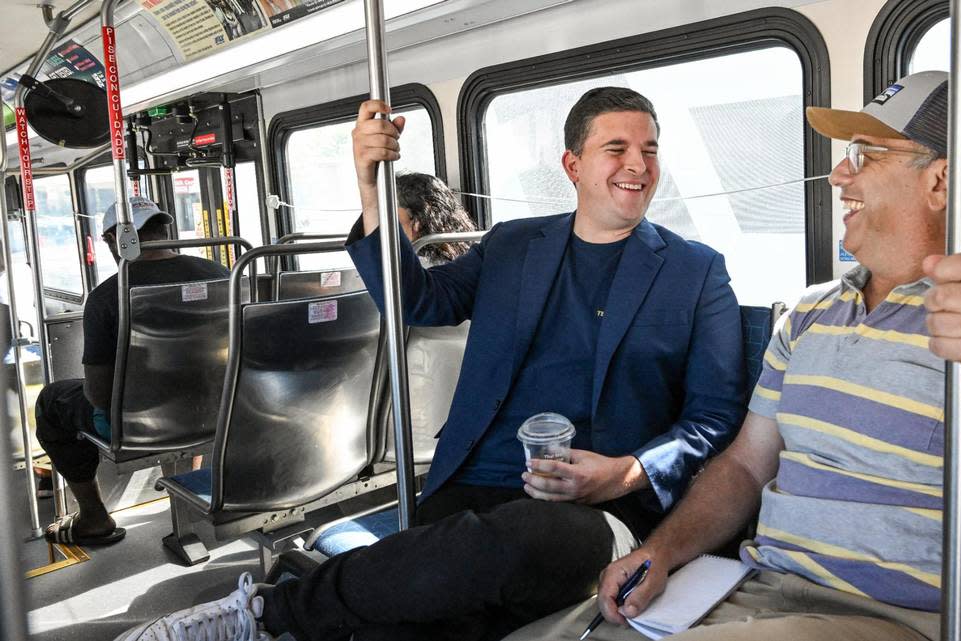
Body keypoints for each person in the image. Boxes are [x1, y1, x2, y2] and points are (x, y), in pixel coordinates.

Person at [505, 70, 961, 641]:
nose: (840, 174)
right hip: (753, 592)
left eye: (864, 155)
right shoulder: (811, 313)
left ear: (941, 180)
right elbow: (748, 468)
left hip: (906, 621)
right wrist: (665, 553)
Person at [115, 86, 748, 641]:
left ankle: (267, 611)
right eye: (617, 148)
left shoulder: (696, 271)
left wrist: (627, 473)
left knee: (515, 543)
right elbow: (420, 300)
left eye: (651, 149)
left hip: (598, 511)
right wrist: (372, 187)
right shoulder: (513, 244)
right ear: (573, 165)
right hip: (475, 476)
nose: (638, 164)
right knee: (416, 617)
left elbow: (714, 418)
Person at [38, 197, 229, 546]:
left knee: (52, 401)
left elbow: (97, 394)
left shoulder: (106, 297)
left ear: (116, 239)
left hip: (139, 426)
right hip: (220, 412)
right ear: (164, 230)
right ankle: (189, 493)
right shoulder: (221, 275)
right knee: (187, 394)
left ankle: (94, 517)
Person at [395, 171, 479, 462]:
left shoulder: (409, 279)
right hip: (468, 412)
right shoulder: (470, 263)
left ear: (416, 223)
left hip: (421, 411)